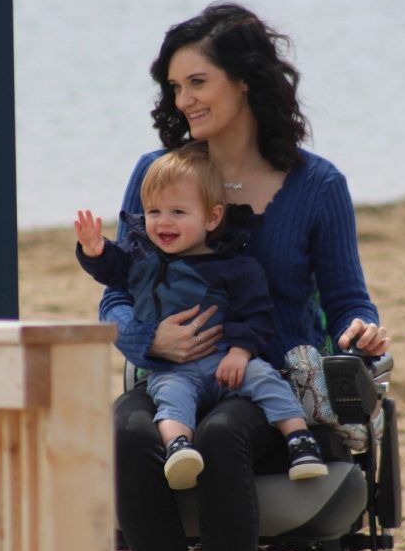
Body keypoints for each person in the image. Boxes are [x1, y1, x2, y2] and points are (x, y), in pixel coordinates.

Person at [99, 2, 390, 551]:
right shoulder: (157, 175)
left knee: (225, 431)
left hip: (266, 384)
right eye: (173, 87)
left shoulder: (316, 186)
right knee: (126, 429)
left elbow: (349, 297)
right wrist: (146, 340)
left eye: (197, 82)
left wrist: (364, 331)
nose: (183, 100)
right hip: (170, 374)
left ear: (245, 82)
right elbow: (116, 295)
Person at [74, 143, 328, 488]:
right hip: (173, 368)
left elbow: (255, 312)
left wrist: (240, 352)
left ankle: (299, 441)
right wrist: (95, 251)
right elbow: (113, 273)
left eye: (178, 212)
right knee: (169, 400)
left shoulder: (233, 266)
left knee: (266, 380)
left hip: (225, 362)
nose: (163, 222)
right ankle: (179, 448)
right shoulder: (140, 258)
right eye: (154, 211)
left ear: (212, 217)